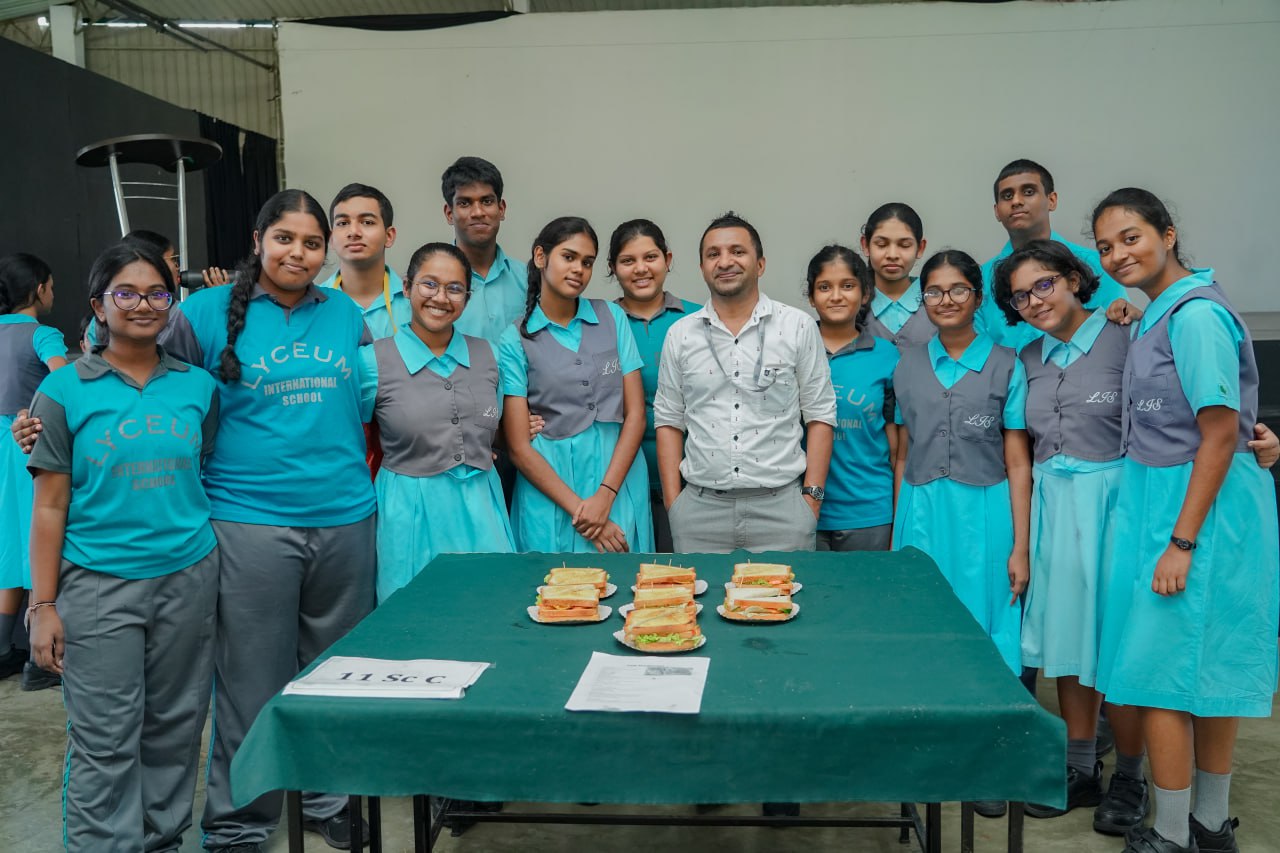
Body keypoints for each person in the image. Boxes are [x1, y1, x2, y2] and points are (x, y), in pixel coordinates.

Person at [1091, 189, 1279, 853]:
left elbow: (1221, 433)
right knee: (1199, 670)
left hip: (1198, 513)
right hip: (1174, 500)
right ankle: (1208, 827)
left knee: (1166, 675)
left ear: (1168, 235)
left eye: (1132, 237)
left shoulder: (1194, 316)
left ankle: (1172, 835)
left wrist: (1181, 540)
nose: (1119, 254)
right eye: (1107, 245)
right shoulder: (1158, 312)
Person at [26, 241, 219, 852]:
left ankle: (161, 841)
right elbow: (50, 504)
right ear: (98, 306)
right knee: (105, 739)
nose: (143, 304)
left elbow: (204, 469)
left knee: (174, 729)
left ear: (173, 302)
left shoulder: (199, 388)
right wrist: (43, 604)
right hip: (97, 587)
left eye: (157, 293)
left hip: (188, 579)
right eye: (126, 293)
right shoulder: (63, 394)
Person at [653, 212, 836, 554]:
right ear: (702, 266)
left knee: (786, 607)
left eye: (737, 251)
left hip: (782, 509)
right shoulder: (680, 335)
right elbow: (668, 420)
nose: (725, 262)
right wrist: (674, 505)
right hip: (699, 511)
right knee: (700, 607)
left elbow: (820, 414)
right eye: (713, 254)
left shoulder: (797, 327)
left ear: (760, 263)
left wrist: (810, 499)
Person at [892, 250, 1030, 676]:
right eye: (933, 291)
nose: (946, 300)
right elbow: (902, 453)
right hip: (922, 511)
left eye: (957, 289)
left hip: (984, 514)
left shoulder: (1008, 365)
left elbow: (1018, 462)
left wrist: (1020, 547)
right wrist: (901, 528)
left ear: (978, 296)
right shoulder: (907, 365)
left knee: (983, 614)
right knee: (920, 616)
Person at [358, 242, 514, 602]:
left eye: (454, 288)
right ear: (407, 287)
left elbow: (499, 428)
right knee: (414, 619)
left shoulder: (488, 355)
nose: (441, 297)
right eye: (429, 284)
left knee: (491, 607)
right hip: (410, 510)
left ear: (467, 296)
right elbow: (356, 441)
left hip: (481, 506)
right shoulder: (373, 362)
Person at [498, 216, 653, 554]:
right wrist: (583, 511)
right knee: (555, 597)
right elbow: (519, 447)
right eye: (568, 257)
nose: (579, 269)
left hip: (617, 477)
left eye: (587, 262)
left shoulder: (612, 319)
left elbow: (636, 415)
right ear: (541, 257)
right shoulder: (515, 339)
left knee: (628, 593)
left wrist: (605, 496)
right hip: (552, 488)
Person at [608, 219, 698, 552]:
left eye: (650, 257)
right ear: (613, 268)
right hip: (618, 484)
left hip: (693, 484)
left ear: (668, 260)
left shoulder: (699, 319)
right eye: (628, 261)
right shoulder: (598, 323)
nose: (640, 269)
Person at [0, 253, 68, 689]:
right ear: (39, 289)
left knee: (6, 541)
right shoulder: (43, 334)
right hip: (24, 442)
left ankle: (5, 649)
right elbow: (64, 381)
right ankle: (40, 662)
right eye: (52, 285)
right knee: (38, 540)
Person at [805, 245, 899, 551]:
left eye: (847, 286)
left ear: (865, 294)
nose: (836, 296)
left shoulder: (887, 356)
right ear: (811, 297)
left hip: (869, 511)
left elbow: (898, 450)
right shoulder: (794, 350)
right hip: (801, 509)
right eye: (824, 287)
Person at [975, 159, 1125, 350]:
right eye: (1007, 196)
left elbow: (1118, 325)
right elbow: (982, 354)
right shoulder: (980, 280)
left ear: (1051, 200)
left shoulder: (1097, 264)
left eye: (1028, 192)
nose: (1016, 201)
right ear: (997, 211)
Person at [441, 157, 528, 345]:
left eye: (487, 201)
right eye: (465, 203)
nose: (478, 212)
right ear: (449, 214)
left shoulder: (529, 280)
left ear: (501, 209)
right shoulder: (432, 286)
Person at [319, 183, 409, 339]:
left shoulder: (416, 300)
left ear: (389, 236)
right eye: (343, 223)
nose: (353, 232)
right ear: (331, 239)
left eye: (367, 222)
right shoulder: (312, 304)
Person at [860, 203, 934, 351]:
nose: (892, 255)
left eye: (904, 245)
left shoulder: (939, 300)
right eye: (881, 244)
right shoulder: (852, 302)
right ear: (866, 245)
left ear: (920, 248)